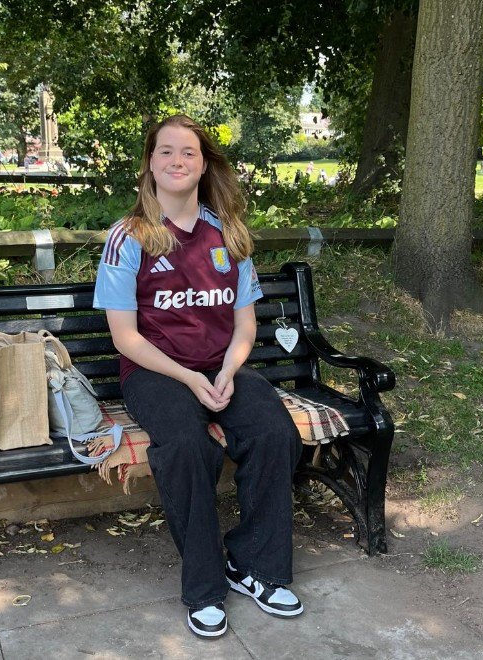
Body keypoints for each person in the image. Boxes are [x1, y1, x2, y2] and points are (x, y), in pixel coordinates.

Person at [93, 114, 303, 639]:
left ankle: (255, 567)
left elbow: (245, 324)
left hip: (220, 365)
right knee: (187, 446)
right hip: (155, 370)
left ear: (204, 163)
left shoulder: (226, 233)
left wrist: (229, 370)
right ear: (150, 163)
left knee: (274, 431)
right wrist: (188, 379)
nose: (177, 161)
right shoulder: (129, 237)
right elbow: (126, 338)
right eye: (166, 151)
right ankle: (205, 587)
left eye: (189, 152)